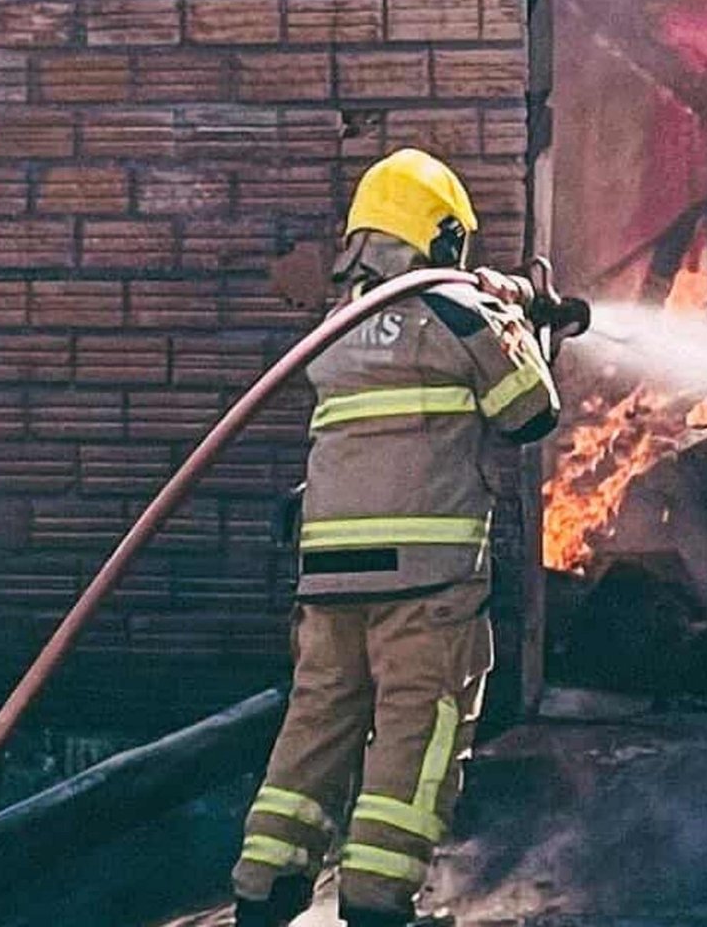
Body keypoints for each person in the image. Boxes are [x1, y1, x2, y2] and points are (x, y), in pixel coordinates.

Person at [231, 149, 562, 927]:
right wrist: (516, 321)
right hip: (426, 581)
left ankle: (263, 886)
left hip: (330, 579)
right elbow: (529, 411)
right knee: (415, 736)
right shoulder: (456, 310)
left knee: (316, 725)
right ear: (442, 235)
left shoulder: (335, 323)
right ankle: (377, 903)